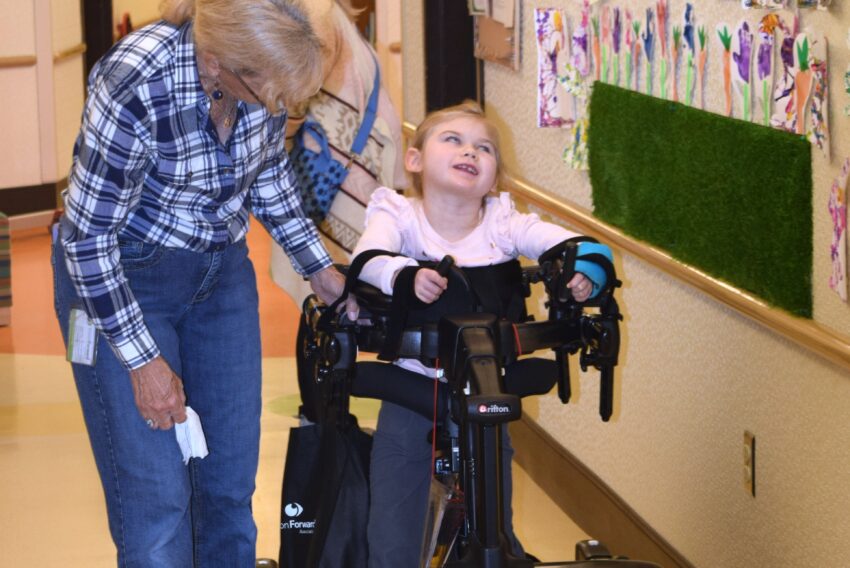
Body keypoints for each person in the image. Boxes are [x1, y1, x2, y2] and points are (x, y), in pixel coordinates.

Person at [51, 0, 348, 565]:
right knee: (157, 498)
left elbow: (266, 175)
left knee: (229, 486)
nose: (280, 109)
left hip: (220, 276)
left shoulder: (260, 75)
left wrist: (321, 273)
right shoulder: (138, 76)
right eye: (272, 96)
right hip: (119, 277)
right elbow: (86, 241)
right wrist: (144, 365)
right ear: (216, 64)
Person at [352, 101, 611, 566]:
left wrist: (584, 272)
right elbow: (366, 259)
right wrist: (403, 275)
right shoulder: (400, 216)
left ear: (495, 177)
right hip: (412, 385)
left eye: (484, 147)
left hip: (485, 386)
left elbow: (571, 245)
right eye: (452, 139)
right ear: (415, 160)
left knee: (493, 514)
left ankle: (493, 552)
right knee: (394, 517)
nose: (469, 150)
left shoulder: (503, 223)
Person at [269, 0, 407, 421]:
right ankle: (324, 415)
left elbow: (299, 89)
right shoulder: (326, 11)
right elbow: (303, 87)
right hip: (342, 173)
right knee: (327, 298)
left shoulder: (323, 12)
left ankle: (325, 416)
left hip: (340, 175)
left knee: (326, 300)